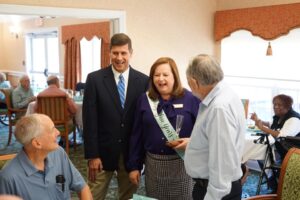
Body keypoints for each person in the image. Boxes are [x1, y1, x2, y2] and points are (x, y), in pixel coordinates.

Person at [83, 33, 149, 200]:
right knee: (93, 196)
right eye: (115, 53)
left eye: (123, 53)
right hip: (101, 154)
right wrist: (93, 155)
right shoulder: (94, 79)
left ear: (131, 53)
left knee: (128, 197)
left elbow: (144, 121)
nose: (119, 58)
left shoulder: (143, 81)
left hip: (131, 155)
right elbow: (89, 120)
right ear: (109, 53)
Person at [127, 57, 200, 199]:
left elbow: (204, 132)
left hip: (183, 165)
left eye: (165, 75)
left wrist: (191, 142)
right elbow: (137, 135)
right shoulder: (144, 99)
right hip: (154, 166)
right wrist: (134, 166)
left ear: (175, 76)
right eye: (156, 75)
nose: (161, 79)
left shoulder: (191, 99)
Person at [184, 54, 245, 200]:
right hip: (218, 187)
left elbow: (221, 164)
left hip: (215, 191)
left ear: (194, 82)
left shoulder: (218, 108)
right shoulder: (225, 93)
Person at [0, 114, 93, 200]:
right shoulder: (9, 177)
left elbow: (82, 187)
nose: (58, 132)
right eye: (52, 130)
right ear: (37, 143)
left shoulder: (58, 153)